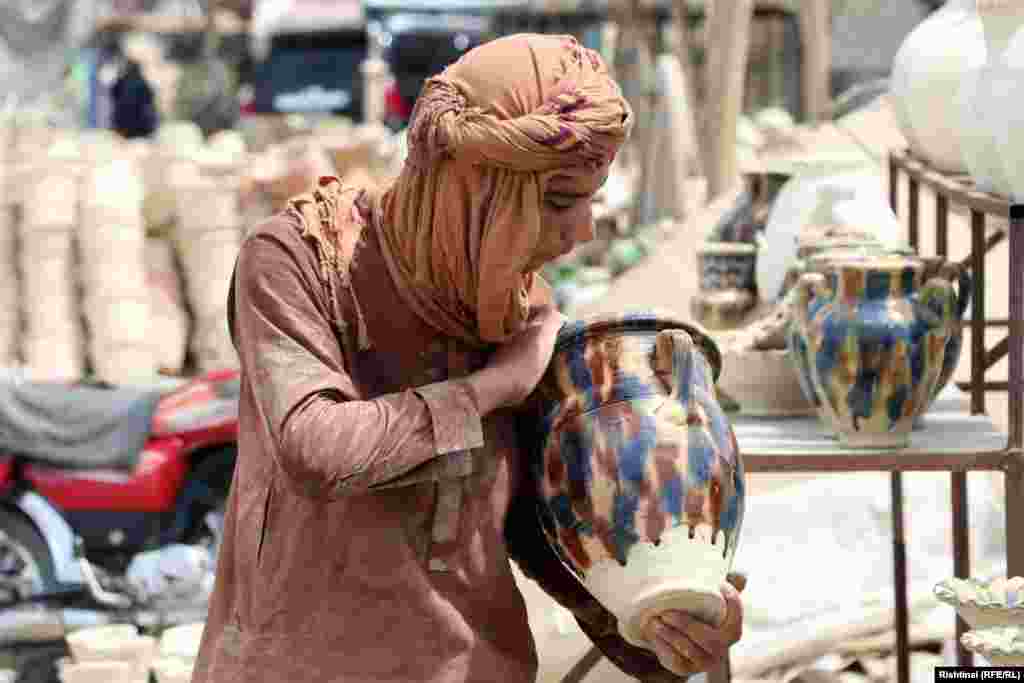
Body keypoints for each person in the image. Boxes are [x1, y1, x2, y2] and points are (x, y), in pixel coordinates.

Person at [192, 33, 743, 683]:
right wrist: (489, 390)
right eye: (561, 200)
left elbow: (539, 526)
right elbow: (315, 448)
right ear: (473, 187)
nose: (584, 230)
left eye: (592, 199)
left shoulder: (512, 302)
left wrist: (654, 617)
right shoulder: (298, 261)